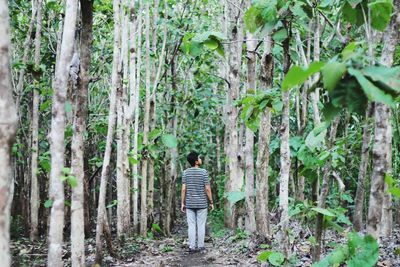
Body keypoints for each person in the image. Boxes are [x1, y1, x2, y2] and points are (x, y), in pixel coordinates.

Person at [181, 151, 214, 254]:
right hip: (202, 204)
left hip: (190, 203)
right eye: (199, 158)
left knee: (191, 225)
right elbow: (207, 189)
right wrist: (211, 202)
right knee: (201, 225)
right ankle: (201, 247)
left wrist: (182, 203)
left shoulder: (185, 172)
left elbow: (183, 189)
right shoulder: (203, 172)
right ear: (196, 161)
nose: (201, 159)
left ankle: (191, 247)